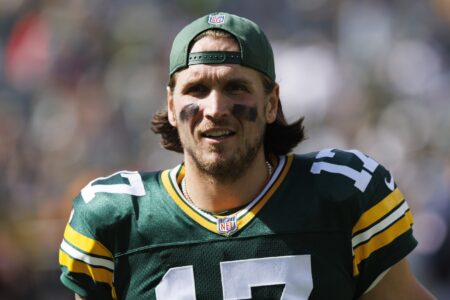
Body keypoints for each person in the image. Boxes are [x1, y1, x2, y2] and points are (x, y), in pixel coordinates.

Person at [59, 12, 435, 300]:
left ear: (271, 103)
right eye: (198, 89)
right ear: (171, 106)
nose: (216, 107)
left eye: (235, 87)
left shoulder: (342, 196)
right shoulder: (117, 220)